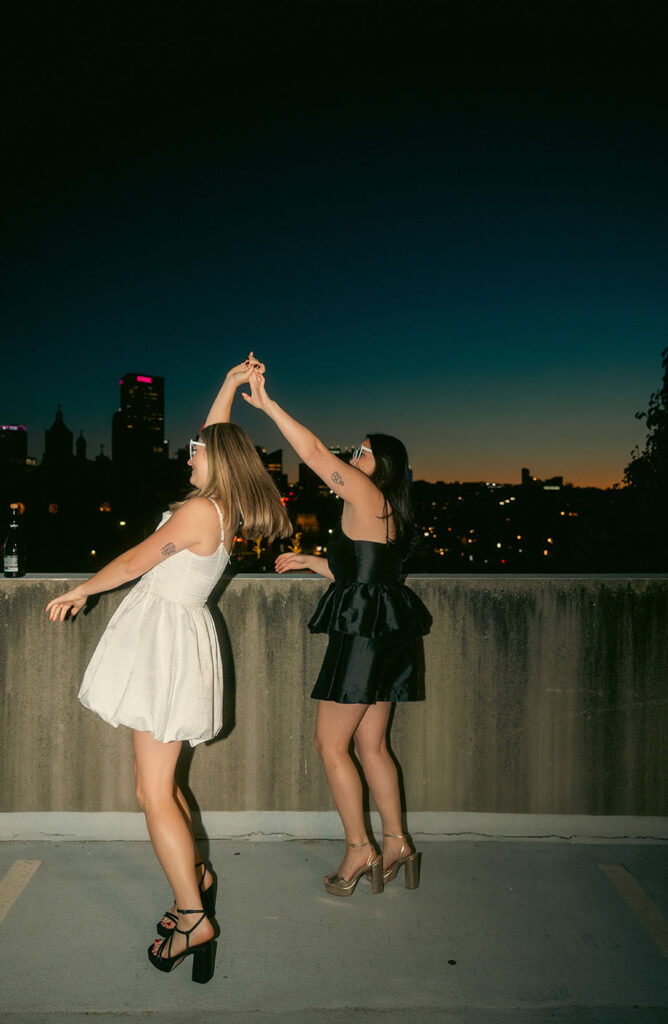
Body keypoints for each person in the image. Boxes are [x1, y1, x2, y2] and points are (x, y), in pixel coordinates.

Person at [46, 356, 291, 981]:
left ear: (216, 463)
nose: (189, 457)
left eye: (196, 454)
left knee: (152, 793)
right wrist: (229, 387)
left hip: (165, 646)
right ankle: (198, 878)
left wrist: (82, 590)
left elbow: (131, 562)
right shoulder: (223, 502)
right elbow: (215, 436)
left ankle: (192, 915)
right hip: (177, 640)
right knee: (166, 787)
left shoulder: (198, 513)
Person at [243, 367, 430, 897]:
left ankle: (359, 848)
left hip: (364, 637)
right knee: (372, 746)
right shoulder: (390, 510)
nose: (355, 456)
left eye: (366, 451)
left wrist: (268, 405)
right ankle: (397, 844)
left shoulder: (367, 493)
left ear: (384, 466)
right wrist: (311, 561)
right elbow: (368, 570)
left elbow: (317, 454)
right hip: (388, 630)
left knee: (331, 745)